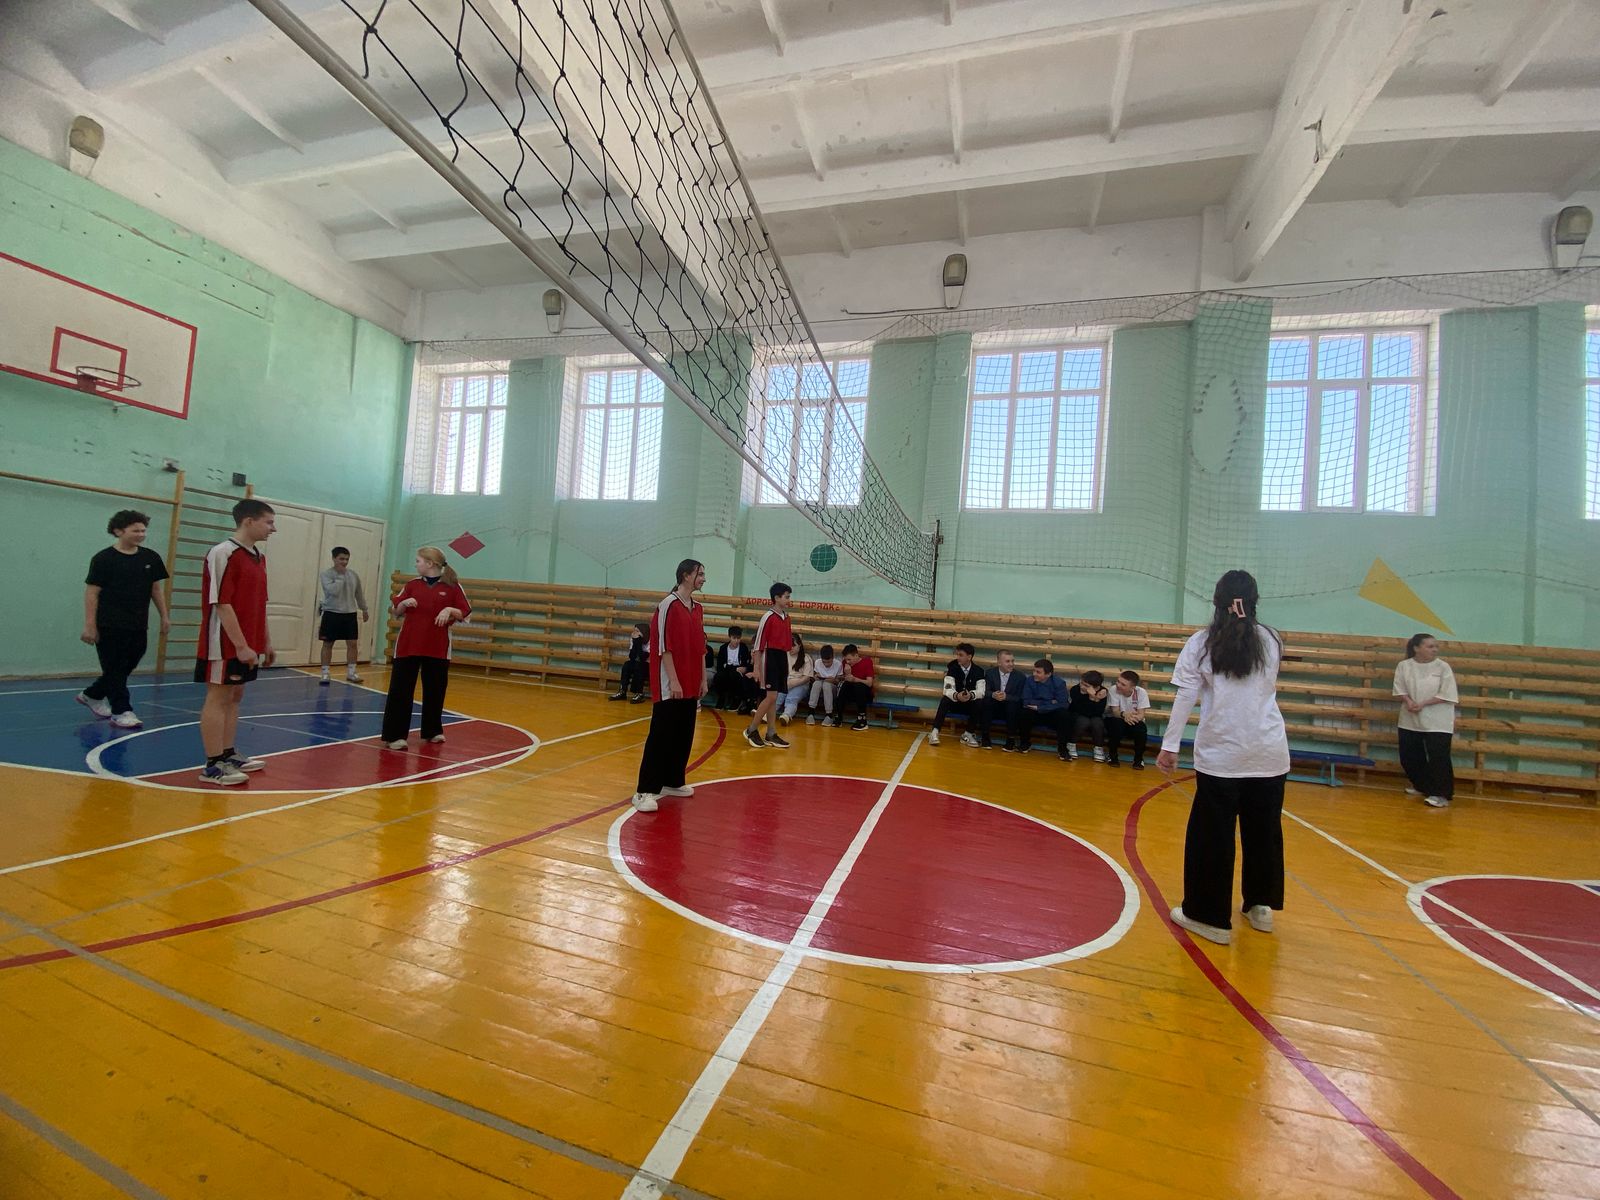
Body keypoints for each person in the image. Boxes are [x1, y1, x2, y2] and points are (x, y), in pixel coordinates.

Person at [1157, 569, 1289, 946]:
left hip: (1222, 755)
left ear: (1217, 601)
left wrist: (1170, 745)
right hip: (1269, 752)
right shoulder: (1272, 639)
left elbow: (1186, 695)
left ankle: (1209, 916)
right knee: (1263, 832)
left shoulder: (1201, 643)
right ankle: (1260, 907)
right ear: (1254, 601)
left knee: (1212, 837)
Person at [194, 499, 276, 786]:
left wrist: (265, 641)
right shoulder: (222, 553)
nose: (273, 528)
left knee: (235, 695)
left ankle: (228, 754)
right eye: (268, 522)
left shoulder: (259, 557)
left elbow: (260, 604)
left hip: (249, 642)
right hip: (223, 642)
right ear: (248, 521)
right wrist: (240, 645)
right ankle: (213, 764)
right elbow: (221, 603)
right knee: (218, 696)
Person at [78, 509, 171, 729]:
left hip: (137, 622)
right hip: (109, 623)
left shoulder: (150, 557)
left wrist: (164, 616)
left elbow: (155, 589)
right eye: (135, 530)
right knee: (115, 666)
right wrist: (90, 625)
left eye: (143, 530)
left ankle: (93, 694)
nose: (141, 534)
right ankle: (121, 711)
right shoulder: (103, 559)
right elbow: (92, 593)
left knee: (128, 663)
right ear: (119, 531)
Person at [632, 559, 708, 812]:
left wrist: (702, 679)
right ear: (686, 576)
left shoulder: (698, 608)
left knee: (683, 733)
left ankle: (672, 781)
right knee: (661, 735)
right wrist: (674, 680)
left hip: (691, 681)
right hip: (670, 682)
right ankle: (644, 790)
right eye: (700, 574)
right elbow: (663, 646)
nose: (703, 579)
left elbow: (700, 647)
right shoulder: (668, 605)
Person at [380, 547, 471, 750]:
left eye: (418, 561)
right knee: (400, 691)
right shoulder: (412, 585)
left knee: (435, 690)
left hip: (438, 648)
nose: (416, 564)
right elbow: (395, 610)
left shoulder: (453, 587)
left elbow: (465, 612)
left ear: (430, 563)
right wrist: (403, 603)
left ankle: (432, 730)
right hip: (408, 646)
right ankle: (395, 736)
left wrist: (449, 609)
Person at [1393, 633, 1459, 808]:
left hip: (1437, 719)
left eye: (1436, 646)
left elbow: (1447, 694)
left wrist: (1423, 703)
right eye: (1430, 646)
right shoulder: (1404, 666)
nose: (1434, 650)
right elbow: (1399, 689)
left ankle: (1441, 794)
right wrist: (1409, 701)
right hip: (1410, 717)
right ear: (1416, 648)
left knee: (1438, 757)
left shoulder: (1443, 667)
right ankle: (1422, 785)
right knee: (1409, 756)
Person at [746, 583, 795, 749]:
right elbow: (758, 645)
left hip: (781, 657)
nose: (789, 600)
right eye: (786, 597)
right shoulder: (768, 617)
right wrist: (756, 669)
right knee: (771, 697)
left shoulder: (786, 617)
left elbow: (787, 644)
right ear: (777, 598)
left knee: (773, 697)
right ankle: (752, 729)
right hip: (769, 657)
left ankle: (771, 733)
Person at [315, 546, 369, 686]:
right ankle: (325, 673)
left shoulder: (353, 575)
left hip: (349, 614)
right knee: (328, 644)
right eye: (341, 559)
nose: (344, 562)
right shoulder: (326, 575)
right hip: (332, 613)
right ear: (334, 559)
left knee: (352, 644)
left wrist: (364, 609)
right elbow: (333, 591)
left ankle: (352, 672)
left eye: (346, 559)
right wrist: (340, 577)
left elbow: (359, 594)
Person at [930, 643, 986, 746]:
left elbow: (981, 691)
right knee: (945, 699)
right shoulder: (952, 668)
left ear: (969, 657)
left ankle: (968, 734)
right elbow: (947, 689)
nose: (958, 657)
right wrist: (957, 695)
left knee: (979, 702)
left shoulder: (979, 671)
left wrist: (970, 695)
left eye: (961, 655)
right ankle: (934, 732)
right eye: (957, 655)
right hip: (955, 703)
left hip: (969, 704)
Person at [1018, 659, 1069, 758]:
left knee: (1064, 715)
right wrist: (1050, 702)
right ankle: (1025, 744)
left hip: (1051, 714)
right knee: (1024, 712)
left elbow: (1063, 704)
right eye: (1034, 671)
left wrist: (1040, 707)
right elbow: (1026, 700)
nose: (1034, 674)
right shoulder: (1029, 680)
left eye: (1038, 672)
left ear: (1048, 674)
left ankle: (1062, 750)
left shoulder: (1059, 683)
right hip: (1035, 712)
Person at [979, 649, 1025, 750]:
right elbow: (984, 691)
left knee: (1013, 705)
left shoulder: (1020, 677)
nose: (1011, 664)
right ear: (999, 662)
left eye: (1012, 661)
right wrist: (993, 694)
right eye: (1007, 661)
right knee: (986, 701)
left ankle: (1010, 740)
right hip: (994, 706)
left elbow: (1021, 697)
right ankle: (985, 737)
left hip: (1010, 709)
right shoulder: (990, 673)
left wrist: (1006, 697)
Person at [1105, 670, 1151, 769]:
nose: (1118, 685)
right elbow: (1115, 712)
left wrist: (1131, 718)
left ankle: (1138, 760)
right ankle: (1112, 756)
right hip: (1117, 718)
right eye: (1118, 681)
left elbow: (1141, 715)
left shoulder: (1141, 692)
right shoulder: (1113, 689)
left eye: (1123, 684)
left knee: (1141, 728)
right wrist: (1124, 714)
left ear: (1132, 687)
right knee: (1116, 724)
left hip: (1133, 720)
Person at [1066, 670, 1110, 762]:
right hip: (1076, 714)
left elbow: (1098, 712)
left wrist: (1095, 698)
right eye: (1081, 683)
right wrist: (1092, 698)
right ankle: (1071, 744)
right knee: (1083, 721)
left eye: (1086, 685)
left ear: (1096, 688)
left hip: (1094, 716)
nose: (1082, 686)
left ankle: (1098, 747)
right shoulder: (1075, 690)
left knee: (1097, 722)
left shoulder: (1102, 692)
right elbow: (1080, 710)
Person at [712, 626, 757, 713]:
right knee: (719, 676)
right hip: (727, 671)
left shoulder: (743, 648)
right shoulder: (723, 648)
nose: (736, 641)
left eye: (738, 638)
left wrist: (743, 668)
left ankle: (736, 699)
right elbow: (720, 666)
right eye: (734, 638)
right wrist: (731, 668)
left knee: (734, 675)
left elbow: (745, 665)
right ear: (730, 637)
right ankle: (721, 698)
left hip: (737, 673)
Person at [839, 643, 877, 731]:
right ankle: (838, 716)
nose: (847, 662)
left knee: (858, 686)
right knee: (844, 685)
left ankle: (862, 720)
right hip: (852, 693)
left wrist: (855, 679)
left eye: (849, 659)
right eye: (846, 659)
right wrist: (847, 674)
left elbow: (869, 683)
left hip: (865, 693)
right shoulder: (845, 663)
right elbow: (846, 679)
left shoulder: (867, 662)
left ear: (856, 655)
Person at [610, 622, 650, 702]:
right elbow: (632, 657)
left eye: (637, 631)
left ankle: (639, 693)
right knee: (627, 665)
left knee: (639, 666)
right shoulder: (634, 639)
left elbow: (642, 657)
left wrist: (638, 642)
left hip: (648, 664)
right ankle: (622, 691)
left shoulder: (650, 641)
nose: (635, 633)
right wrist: (635, 643)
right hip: (637, 662)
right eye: (634, 630)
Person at [779, 633, 813, 725]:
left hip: (801, 684)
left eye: (793, 646)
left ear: (799, 645)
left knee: (792, 697)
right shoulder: (784, 655)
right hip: (786, 682)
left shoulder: (806, 658)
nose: (791, 648)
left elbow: (807, 678)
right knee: (778, 696)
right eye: (788, 646)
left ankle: (787, 715)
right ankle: (767, 714)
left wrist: (793, 683)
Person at [809, 644, 843, 726]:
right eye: (824, 662)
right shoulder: (818, 662)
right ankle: (811, 713)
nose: (826, 664)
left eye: (829, 662)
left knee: (826, 685)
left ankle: (829, 714)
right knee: (816, 683)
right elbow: (815, 676)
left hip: (832, 688)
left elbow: (839, 681)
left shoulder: (838, 664)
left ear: (833, 657)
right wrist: (815, 677)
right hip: (820, 686)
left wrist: (834, 680)